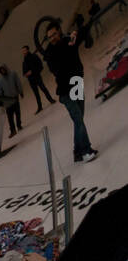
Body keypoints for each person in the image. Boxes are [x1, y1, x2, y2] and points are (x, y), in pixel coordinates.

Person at [35, 21, 97, 163]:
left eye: (54, 34)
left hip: (77, 83)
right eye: (49, 37)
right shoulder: (50, 53)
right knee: (78, 119)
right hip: (65, 91)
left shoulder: (69, 40)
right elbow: (58, 70)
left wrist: (76, 33)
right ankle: (86, 151)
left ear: (59, 32)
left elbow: (85, 27)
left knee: (78, 119)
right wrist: (69, 46)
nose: (52, 38)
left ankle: (77, 152)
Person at [21, 45, 54, 112]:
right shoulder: (24, 62)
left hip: (37, 77)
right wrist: (26, 74)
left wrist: (32, 71)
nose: (23, 52)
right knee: (36, 94)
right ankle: (40, 107)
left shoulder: (34, 57)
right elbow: (24, 73)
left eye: (24, 50)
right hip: (31, 80)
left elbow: (40, 66)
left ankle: (50, 99)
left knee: (43, 89)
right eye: (22, 51)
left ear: (27, 50)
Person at [0, 63, 24, 137]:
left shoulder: (13, 74)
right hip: (7, 101)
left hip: (15, 97)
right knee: (10, 117)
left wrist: (21, 91)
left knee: (17, 113)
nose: (2, 72)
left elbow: (18, 82)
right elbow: (0, 92)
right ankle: (12, 130)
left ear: (6, 69)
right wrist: (1, 101)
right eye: (1, 71)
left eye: (3, 70)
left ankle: (19, 125)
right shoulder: (0, 82)